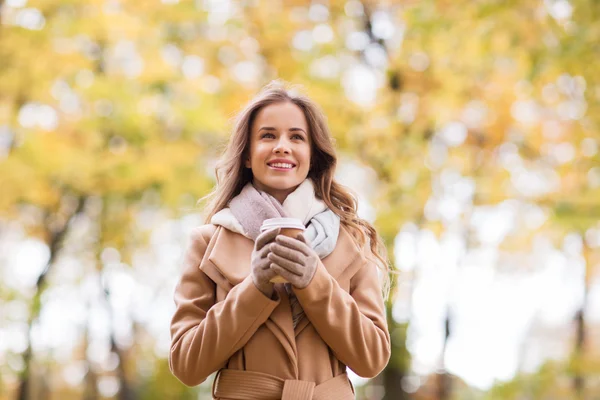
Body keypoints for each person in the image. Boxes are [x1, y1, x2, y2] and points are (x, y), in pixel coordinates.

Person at [169, 81, 391, 399]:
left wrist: (314, 281)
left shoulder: (352, 242)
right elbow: (186, 365)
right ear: (247, 155)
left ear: (313, 156)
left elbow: (372, 359)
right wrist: (254, 288)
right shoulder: (207, 245)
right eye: (268, 135)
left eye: (296, 137)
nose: (282, 146)